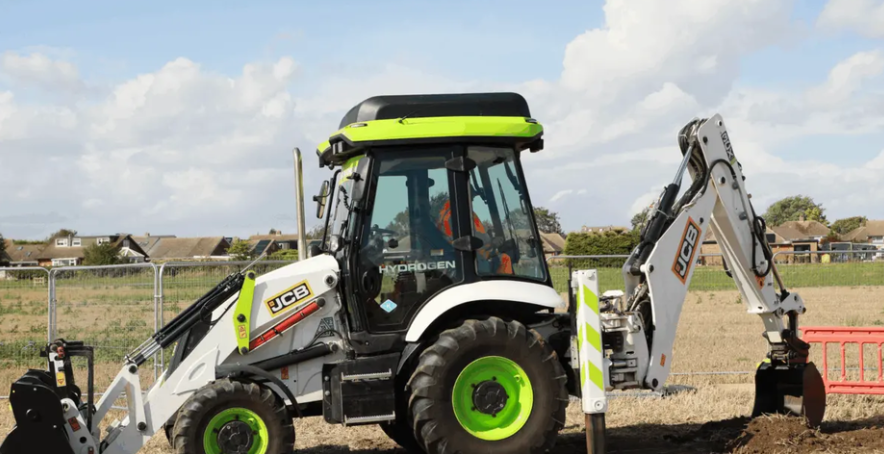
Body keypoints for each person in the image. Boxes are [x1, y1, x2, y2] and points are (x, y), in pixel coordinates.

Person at [436, 198, 513, 274]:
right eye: (472, 195)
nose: (473, 199)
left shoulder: (452, 213)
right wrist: (492, 243)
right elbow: (469, 240)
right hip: (472, 257)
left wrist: (490, 240)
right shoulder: (457, 213)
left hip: (476, 253)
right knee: (504, 259)